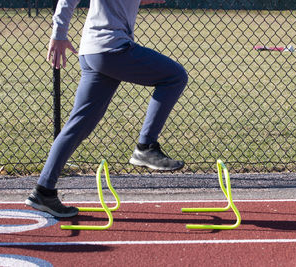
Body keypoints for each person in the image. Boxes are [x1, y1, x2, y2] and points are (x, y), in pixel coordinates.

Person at [25, 0, 188, 217]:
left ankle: (44, 191)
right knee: (175, 76)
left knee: (79, 125)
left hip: (93, 52)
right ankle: (146, 146)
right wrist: (59, 34)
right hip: (112, 48)